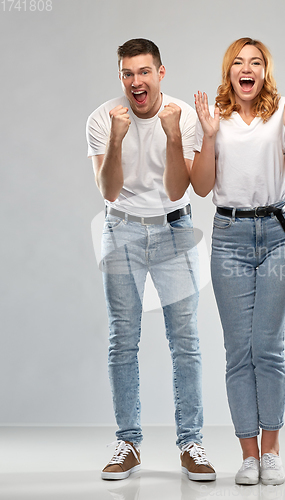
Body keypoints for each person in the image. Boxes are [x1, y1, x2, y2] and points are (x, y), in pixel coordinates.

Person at [86, 38, 216, 482]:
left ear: (161, 73)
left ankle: (191, 443)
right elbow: (107, 189)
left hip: (175, 229)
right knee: (123, 339)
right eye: (128, 73)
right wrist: (118, 140)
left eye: (144, 72)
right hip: (120, 229)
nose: (136, 82)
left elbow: (181, 189)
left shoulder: (181, 116)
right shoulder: (103, 119)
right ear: (121, 77)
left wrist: (175, 134)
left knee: (186, 340)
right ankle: (128, 442)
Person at [191, 37, 285, 486]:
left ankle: (272, 450)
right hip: (230, 238)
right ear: (229, 72)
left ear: (265, 70)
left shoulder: (282, 111)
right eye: (239, 63)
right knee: (238, 350)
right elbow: (202, 188)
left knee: (269, 346)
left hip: (278, 234)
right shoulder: (214, 119)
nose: (247, 69)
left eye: (256, 62)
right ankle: (247, 454)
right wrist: (206, 137)